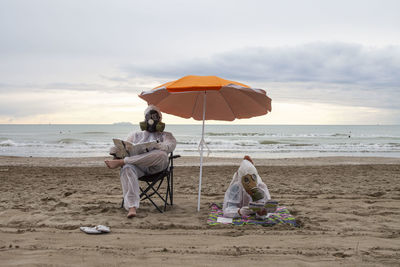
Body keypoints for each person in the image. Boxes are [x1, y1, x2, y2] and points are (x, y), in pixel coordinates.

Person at [105, 105, 176, 218]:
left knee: (162, 155)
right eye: (148, 117)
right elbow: (125, 146)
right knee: (127, 167)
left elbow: (170, 147)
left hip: (157, 168)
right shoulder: (135, 135)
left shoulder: (166, 135)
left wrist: (157, 145)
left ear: (160, 119)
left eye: (155, 117)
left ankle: (123, 161)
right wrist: (117, 150)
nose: (151, 121)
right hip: (139, 167)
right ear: (145, 119)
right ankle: (132, 207)